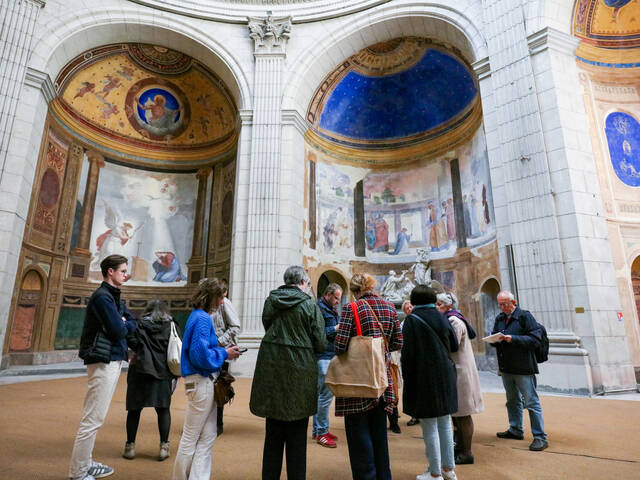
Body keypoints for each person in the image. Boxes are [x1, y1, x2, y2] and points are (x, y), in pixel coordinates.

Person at [250, 266, 326, 480]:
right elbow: (320, 342)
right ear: (303, 282)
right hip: (300, 372)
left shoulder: (271, 300)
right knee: (297, 437)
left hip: (272, 366)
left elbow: (267, 326)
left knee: (272, 434)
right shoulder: (310, 305)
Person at [69, 254, 137, 480]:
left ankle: (86, 463)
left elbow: (131, 322)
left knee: (96, 417)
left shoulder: (114, 297)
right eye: (123, 271)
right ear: (111, 272)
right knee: (92, 419)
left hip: (112, 359)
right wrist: (123, 323)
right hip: (102, 360)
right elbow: (119, 330)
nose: (126, 275)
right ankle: (78, 472)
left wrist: (124, 322)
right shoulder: (103, 298)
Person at [334, 273, 403, 480]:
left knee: (359, 439)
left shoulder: (352, 308)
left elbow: (339, 346)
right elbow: (398, 343)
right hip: (381, 381)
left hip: (357, 380)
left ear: (355, 291)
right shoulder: (390, 307)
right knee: (380, 436)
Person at [172, 278, 241, 480]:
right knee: (191, 437)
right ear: (210, 296)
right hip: (201, 381)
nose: (222, 302)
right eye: (220, 297)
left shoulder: (198, 316)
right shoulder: (202, 318)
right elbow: (199, 355)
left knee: (208, 436)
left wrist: (222, 352)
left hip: (205, 380)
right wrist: (224, 354)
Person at [402, 285, 459, 480]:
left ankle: (434, 473)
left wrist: (407, 378)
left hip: (424, 377)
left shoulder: (412, 320)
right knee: (444, 422)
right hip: (446, 375)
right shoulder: (442, 317)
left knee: (429, 426)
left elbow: (407, 354)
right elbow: (454, 345)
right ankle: (448, 469)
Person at [490, 290, 548, 452]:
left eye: (505, 304)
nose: (502, 308)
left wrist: (513, 339)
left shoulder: (525, 316)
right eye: (500, 304)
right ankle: (515, 429)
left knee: (531, 402)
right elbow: (495, 334)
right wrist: (493, 339)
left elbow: (535, 339)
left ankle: (540, 437)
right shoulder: (500, 318)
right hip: (506, 366)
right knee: (512, 400)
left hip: (523, 367)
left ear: (513, 302)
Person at [123, 300, 178, 461]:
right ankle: (163, 447)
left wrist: (139, 350)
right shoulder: (171, 325)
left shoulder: (138, 324)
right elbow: (177, 344)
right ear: (165, 311)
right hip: (162, 372)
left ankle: (130, 447)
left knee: (134, 410)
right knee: (163, 409)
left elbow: (130, 339)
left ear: (146, 310)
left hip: (140, 370)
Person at [436, 292, 484, 464]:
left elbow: (451, 345)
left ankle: (467, 452)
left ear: (448, 306)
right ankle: (460, 446)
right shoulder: (451, 319)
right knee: (457, 413)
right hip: (456, 370)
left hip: (460, 372)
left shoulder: (454, 321)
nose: (436, 307)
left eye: (439, 304)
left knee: (463, 413)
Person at [313, 283, 343, 448]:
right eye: (337, 298)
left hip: (330, 354)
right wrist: (336, 328)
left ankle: (318, 431)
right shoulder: (319, 308)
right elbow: (318, 334)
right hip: (323, 355)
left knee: (322, 396)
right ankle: (322, 433)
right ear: (328, 294)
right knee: (325, 396)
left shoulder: (330, 308)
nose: (338, 301)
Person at [211, 279, 241, 435]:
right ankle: (209, 422)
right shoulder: (207, 306)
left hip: (222, 351)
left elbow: (235, 327)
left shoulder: (225, 304)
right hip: (210, 351)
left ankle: (218, 423)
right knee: (208, 386)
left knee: (220, 385)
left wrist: (219, 342)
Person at [401, 300, 419, 428]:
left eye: (410, 306)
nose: (409, 309)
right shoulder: (404, 323)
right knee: (412, 389)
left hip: (420, 360)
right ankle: (414, 415)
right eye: (407, 308)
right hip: (409, 360)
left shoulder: (419, 320)